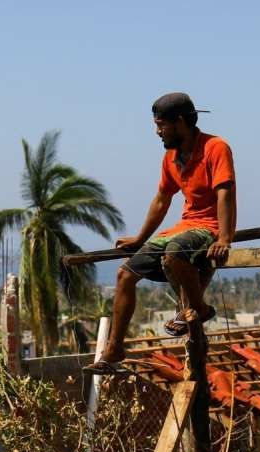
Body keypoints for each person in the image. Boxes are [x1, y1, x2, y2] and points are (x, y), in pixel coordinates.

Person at [99, 92, 236, 366]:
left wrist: (224, 237)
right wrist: (140, 239)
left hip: (207, 228)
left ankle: (197, 308)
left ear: (181, 122)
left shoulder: (215, 147)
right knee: (125, 274)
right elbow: (162, 199)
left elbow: (225, 193)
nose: (158, 131)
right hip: (184, 228)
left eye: (162, 125)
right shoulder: (171, 158)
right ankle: (114, 349)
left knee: (174, 253)